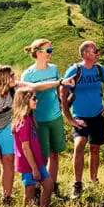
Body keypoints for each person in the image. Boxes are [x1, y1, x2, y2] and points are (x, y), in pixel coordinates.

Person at [0, 65, 72, 206]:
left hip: (5, 127)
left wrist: (60, 82)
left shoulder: (15, 88)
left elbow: (36, 86)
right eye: (11, 75)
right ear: (3, 79)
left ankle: (6, 198)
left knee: (8, 159)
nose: (15, 77)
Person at [62, 40, 104, 197]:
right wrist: (69, 117)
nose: (98, 53)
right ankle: (77, 183)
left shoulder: (99, 70)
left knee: (95, 148)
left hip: (97, 115)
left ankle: (93, 180)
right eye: (95, 51)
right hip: (80, 116)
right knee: (79, 145)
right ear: (86, 54)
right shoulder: (74, 70)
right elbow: (63, 93)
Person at [21, 39, 66, 198]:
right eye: (48, 51)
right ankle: (39, 188)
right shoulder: (28, 74)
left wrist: (60, 101)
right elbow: (24, 98)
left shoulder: (54, 69)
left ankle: (52, 186)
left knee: (55, 154)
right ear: (38, 53)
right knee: (42, 157)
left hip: (55, 117)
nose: (51, 53)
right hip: (38, 120)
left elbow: (58, 86)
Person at [12, 88, 54, 207]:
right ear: (25, 100)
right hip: (28, 164)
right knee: (29, 191)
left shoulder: (29, 118)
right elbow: (25, 147)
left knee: (49, 185)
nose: (37, 100)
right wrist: (34, 168)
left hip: (36, 161)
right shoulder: (23, 122)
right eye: (34, 98)